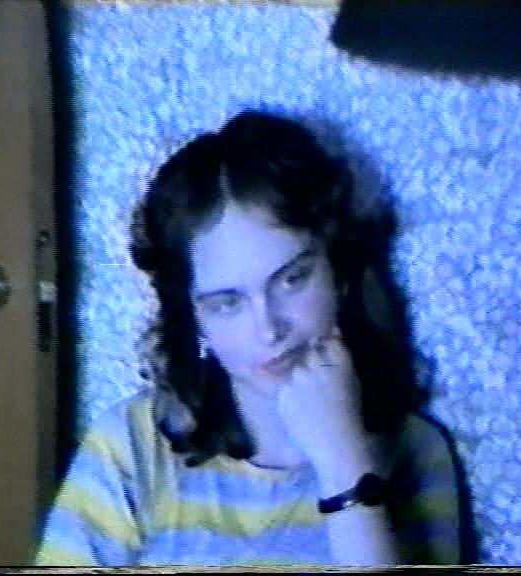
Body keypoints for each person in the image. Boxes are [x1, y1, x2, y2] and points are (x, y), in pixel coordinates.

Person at [35, 110, 463, 566]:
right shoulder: (133, 444)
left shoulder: (415, 451)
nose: (269, 329)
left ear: (338, 271)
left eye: (292, 279)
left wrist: (343, 462)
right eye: (228, 303)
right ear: (194, 316)